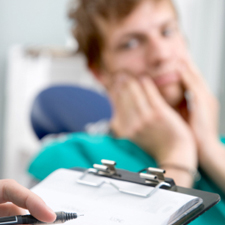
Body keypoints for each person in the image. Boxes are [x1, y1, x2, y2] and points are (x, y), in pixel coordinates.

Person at [28, 0, 225, 223]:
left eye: (167, 31)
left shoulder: (219, 149)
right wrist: (176, 157)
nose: (161, 54)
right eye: (130, 43)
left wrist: (210, 148)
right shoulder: (65, 161)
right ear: (99, 71)